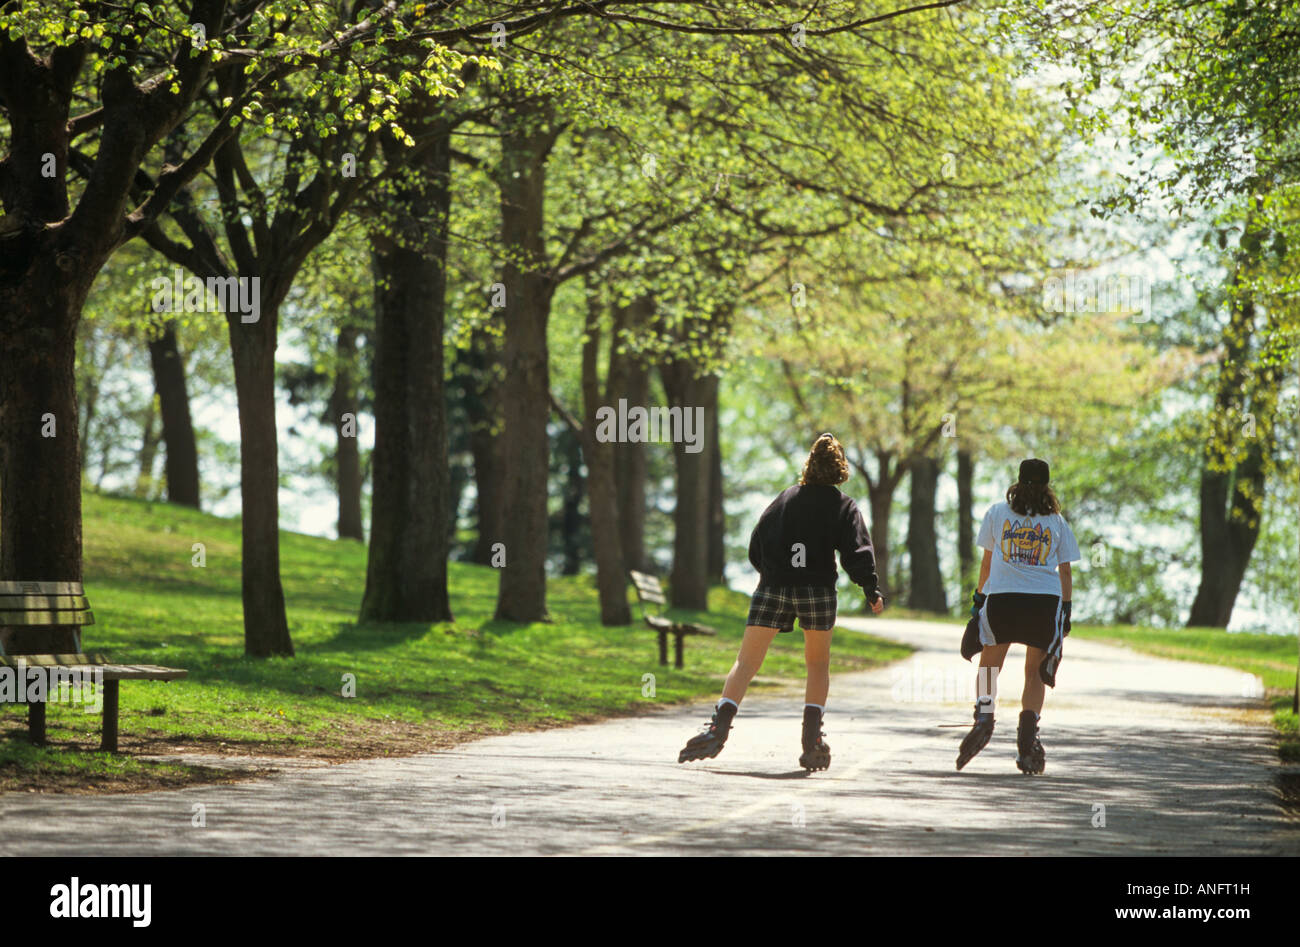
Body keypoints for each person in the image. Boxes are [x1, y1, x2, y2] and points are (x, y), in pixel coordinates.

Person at [677, 433, 884, 772]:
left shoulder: (785, 498)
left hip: (774, 585)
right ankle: (810, 739)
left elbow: (757, 543)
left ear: (809, 466)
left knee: (746, 663)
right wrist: (870, 589)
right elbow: (857, 552)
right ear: (840, 470)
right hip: (817, 590)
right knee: (817, 664)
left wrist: (771, 573)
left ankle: (718, 727)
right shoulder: (844, 506)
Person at [956, 458, 1080, 774]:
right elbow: (1064, 571)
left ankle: (984, 717)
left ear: (1018, 481)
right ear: (1047, 486)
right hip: (1043, 602)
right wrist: (1065, 610)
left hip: (1003, 599)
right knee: (1034, 671)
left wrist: (979, 599)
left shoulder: (997, 513)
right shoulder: (1057, 522)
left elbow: (986, 565)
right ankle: (1028, 740)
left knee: (989, 665)